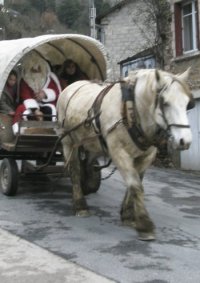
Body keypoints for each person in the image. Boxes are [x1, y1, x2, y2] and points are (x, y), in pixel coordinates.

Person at [12, 52, 62, 134]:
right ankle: (28, 132)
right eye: (33, 69)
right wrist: (35, 110)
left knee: (52, 109)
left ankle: (51, 131)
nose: (36, 71)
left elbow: (56, 92)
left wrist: (45, 94)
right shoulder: (25, 80)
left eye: (38, 69)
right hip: (30, 105)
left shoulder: (49, 78)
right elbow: (25, 95)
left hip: (46, 104)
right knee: (24, 111)